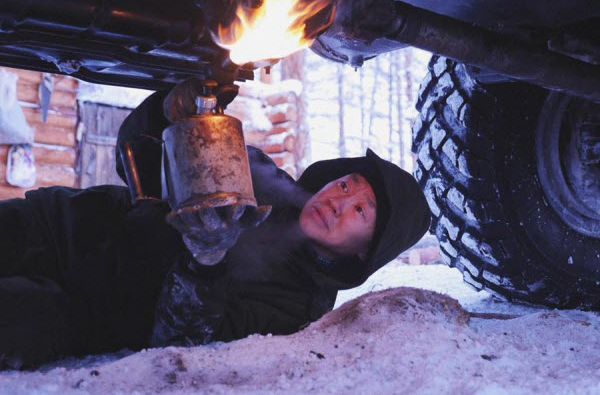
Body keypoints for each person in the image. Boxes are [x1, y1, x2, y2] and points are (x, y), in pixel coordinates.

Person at [0, 80, 431, 370]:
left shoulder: (297, 310)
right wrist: (168, 112)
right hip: (55, 226)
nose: (338, 202)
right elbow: (138, 161)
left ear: (364, 252)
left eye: (360, 211)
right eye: (345, 185)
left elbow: (183, 344)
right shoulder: (254, 173)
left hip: (77, 310)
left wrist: (205, 260)